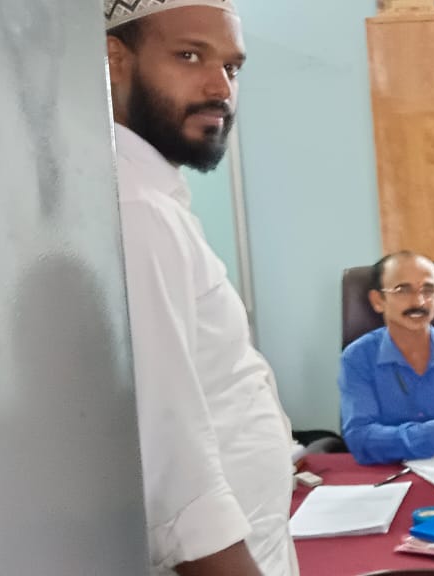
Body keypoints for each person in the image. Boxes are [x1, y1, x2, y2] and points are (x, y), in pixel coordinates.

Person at [105, 1, 298, 574]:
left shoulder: (153, 197)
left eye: (232, 67)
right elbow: (176, 486)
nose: (221, 89)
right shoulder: (137, 210)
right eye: (190, 56)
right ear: (114, 60)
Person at [338, 251, 434, 465]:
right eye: (403, 290)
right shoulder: (358, 357)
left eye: (428, 290)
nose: (419, 301)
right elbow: (361, 439)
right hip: (392, 475)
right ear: (378, 301)